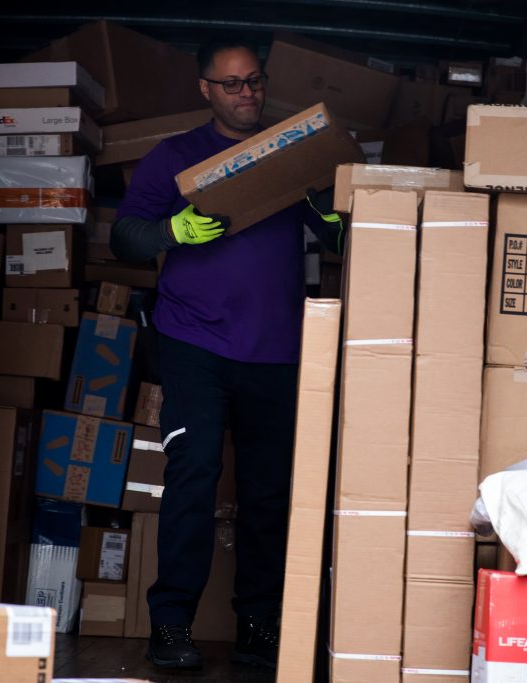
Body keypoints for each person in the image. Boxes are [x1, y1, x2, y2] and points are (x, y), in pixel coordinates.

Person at [111, 38, 342, 671]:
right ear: (205, 89)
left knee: (268, 491)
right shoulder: (175, 157)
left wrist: (329, 205)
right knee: (195, 473)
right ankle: (170, 625)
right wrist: (172, 230)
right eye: (233, 83)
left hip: (277, 349)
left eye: (255, 81)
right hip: (195, 343)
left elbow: (341, 236)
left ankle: (257, 626)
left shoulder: (288, 153)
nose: (247, 93)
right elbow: (124, 236)